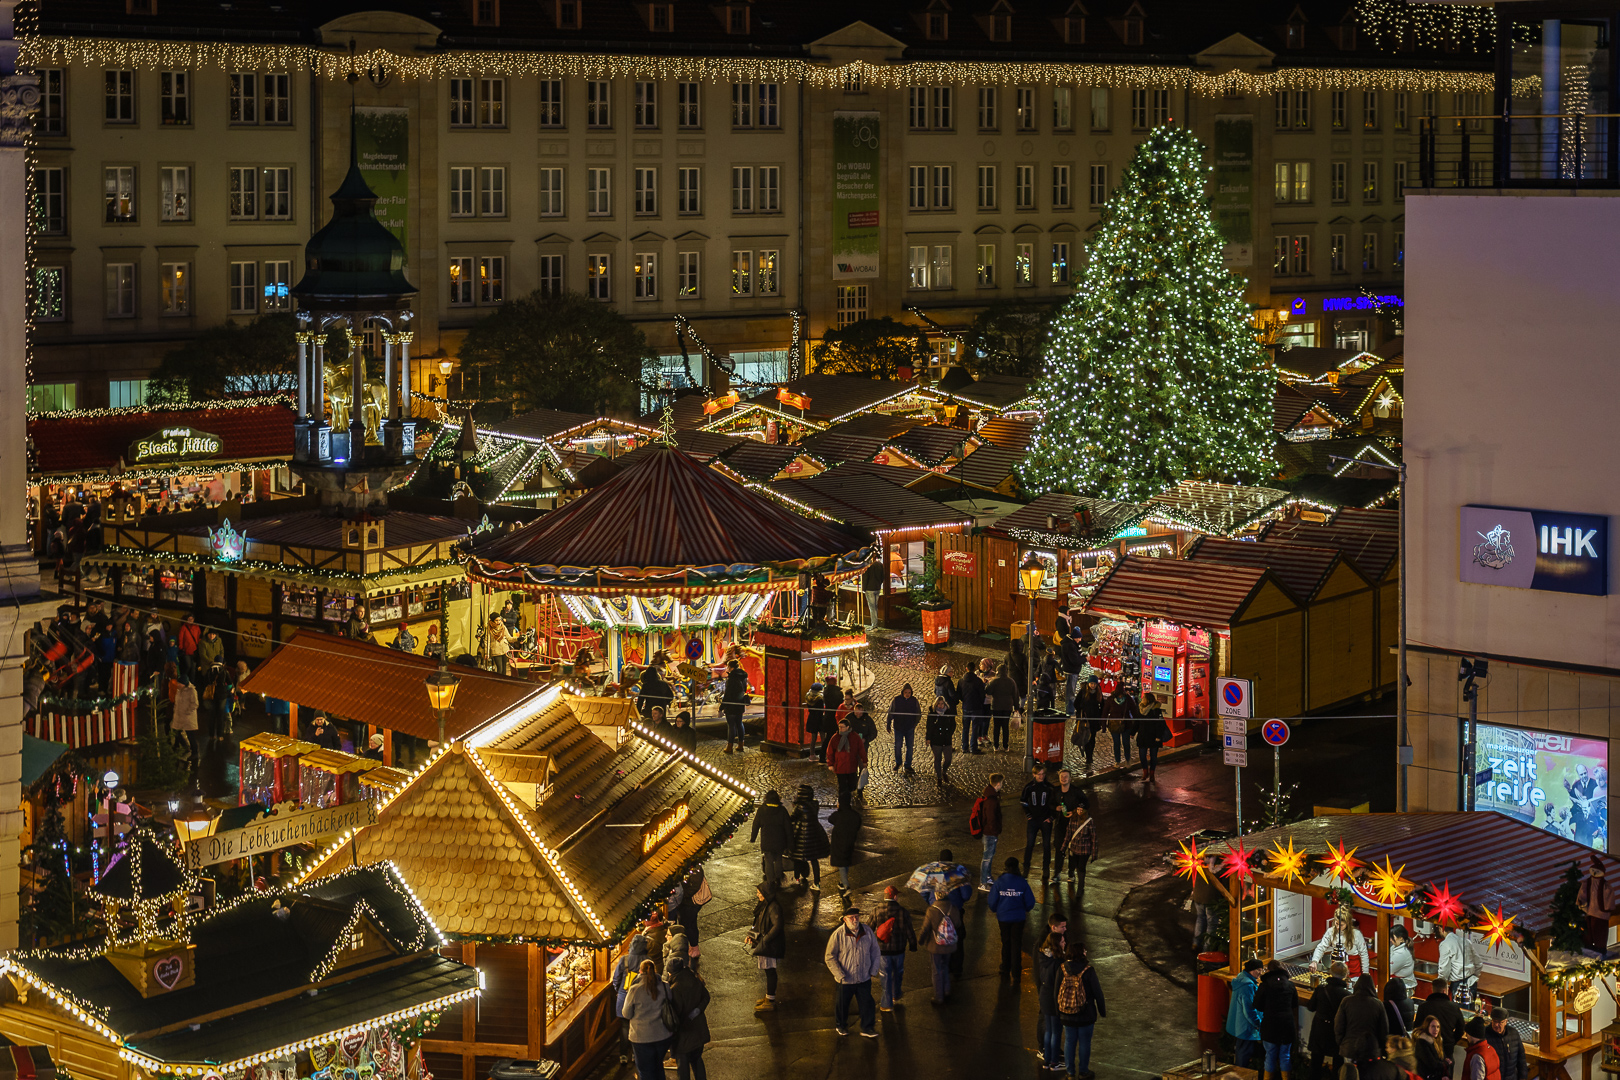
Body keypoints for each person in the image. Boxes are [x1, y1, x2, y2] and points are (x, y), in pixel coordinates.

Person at [825, 903, 881, 1038]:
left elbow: (875, 951)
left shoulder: (867, 931)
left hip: (864, 977)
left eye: (857, 917)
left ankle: (867, 1028)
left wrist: (873, 970)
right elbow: (829, 956)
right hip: (846, 979)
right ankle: (841, 1025)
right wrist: (839, 974)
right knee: (842, 1005)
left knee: (867, 1003)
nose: (855, 920)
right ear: (844, 919)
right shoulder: (838, 935)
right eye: (851, 918)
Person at [1056, 940, 1105, 1079]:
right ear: (1080, 953)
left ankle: (1070, 1073)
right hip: (1086, 1014)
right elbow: (1098, 993)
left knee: (1069, 1041)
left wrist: (1058, 1011)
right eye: (1084, 950)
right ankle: (1083, 1072)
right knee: (1084, 1042)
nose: (1086, 952)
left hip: (1066, 1014)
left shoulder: (1062, 968)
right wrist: (1102, 1011)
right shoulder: (1088, 970)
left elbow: (1056, 992)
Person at [621, 958, 673, 1080]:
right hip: (663, 1035)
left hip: (641, 1038)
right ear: (655, 970)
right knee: (658, 1066)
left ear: (640, 971)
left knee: (646, 1071)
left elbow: (626, 1014)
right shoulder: (665, 987)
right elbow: (670, 1004)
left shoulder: (634, 990)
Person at [988, 856, 1036, 981]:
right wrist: (1024, 909)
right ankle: (1016, 972)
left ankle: (1005, 967)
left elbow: (992, 901)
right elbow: (1030, 902)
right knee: (1016, 943)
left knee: (1006, 942)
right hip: (1018, 918)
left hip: (1003, 917)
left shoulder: (1000, 882)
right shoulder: (1022, 882)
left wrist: (996, 909)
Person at [666, 953, 712, 1080]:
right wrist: (697, 1010)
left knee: (683, 1067)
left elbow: (676, 1014)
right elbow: (706, 996)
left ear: (671, 973)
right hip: (699, 1031)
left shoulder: (675, 988)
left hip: (684, 1035)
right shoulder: (694, 979)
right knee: (697, 1060)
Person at [1335, 974, 1391, 1078]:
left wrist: (1341, 1042)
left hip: (1349, 1048)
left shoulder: (1346, 1001)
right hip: (1371, 1050)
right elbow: (1384, 1030)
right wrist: (1380, 1047)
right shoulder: (1378, 1004)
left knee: (1349, 1075)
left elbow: (1338, 1025)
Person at [873, 885, 917, 1011]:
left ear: (885, 896)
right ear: (895, 896)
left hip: (883, 951)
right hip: (899, 950)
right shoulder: (903, 911)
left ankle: (886, 1004)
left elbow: (869, 928)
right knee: (898, 973)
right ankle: (896, 994)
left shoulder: (877, 910)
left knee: (885, 975)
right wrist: (913, 945)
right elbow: (909, 931)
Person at [1307, 961, 1352, 1080]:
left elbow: (1311, 1007)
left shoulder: (1321, 989)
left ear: (1330, 973)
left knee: (1316, 1062)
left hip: (1320, 1028)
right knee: (1337, 1062)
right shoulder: (1346, 995)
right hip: (1336, 1031)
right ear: (1346, 975)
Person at [1257, 960, 1300, 1080]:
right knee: (1285, 1056)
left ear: (1269, 971)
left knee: (1270, 1055)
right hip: (1287, 1025)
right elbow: (1295, 1004)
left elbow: (1257, 1004)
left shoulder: (1265, 985)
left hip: (1270, 1025)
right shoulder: (1290, 985)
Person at [921, 881, 963, 1004]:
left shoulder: (931, 910)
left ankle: (938, 996)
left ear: (936, 894)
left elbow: (925, 928)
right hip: (949, 945)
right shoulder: (953, 908)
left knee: (936, 970)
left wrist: (921, 940)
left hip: (935, 946)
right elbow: (959, 924)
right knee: (945, 966)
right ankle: (947, 990)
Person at [611, 934, 650, 1064]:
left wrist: (619, 991)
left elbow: (616, 979)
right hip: (642, 998)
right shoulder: (648, 960)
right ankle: (635, 1053)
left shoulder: (624, 960)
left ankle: (623, 1055)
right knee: (638, 1025)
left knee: (624, 1026)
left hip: (624, 996)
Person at [748, 881, 785, 1013]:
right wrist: (752, 936)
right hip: (765, 943)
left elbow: (777, 925)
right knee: (767, 970)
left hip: (769, 946)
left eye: (759, 892)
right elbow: (758, 922)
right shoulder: (766, 904)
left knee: (770, 971)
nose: (757, 894)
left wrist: (766, 939)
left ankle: (770, 1000)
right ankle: (769, 997)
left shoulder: (773, 907)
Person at [786, 783, 830, 892]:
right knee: (814, 860)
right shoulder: (815, 805)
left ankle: (796, 878)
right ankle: (817, 882)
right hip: (814, 834)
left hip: (801, 834)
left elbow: (792, 818)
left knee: (797, 857)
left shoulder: (800, 807)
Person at [1035, 931, 1067, 1071]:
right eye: (1062, 941)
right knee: (1056, 1032)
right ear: (1056, 944)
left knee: (1048, 1031)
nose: (1065, 943)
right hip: (1054, 1000)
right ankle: (1055, 1062)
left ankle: (1047, 1060)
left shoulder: (1044, 957)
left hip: (1044, 997)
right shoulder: (1058, 962)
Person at [1415, 978, 1466, 1064]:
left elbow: (1416, 1029)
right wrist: (1452, 1040)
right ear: (1444, 991)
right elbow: (1461, 1029)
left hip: (1427, 1050)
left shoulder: (1423, 1007)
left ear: (1433, 990)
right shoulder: (1454, 1007)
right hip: (1447, 1049)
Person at [1049, 768, 1090, 878]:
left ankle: (1071, 873)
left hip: (1073, 826)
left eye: (1066, 776)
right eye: (1062, 777)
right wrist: (1055, 808)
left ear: (1070, 779)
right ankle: (1057, 873)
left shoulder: (1076, 791)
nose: (1064, 779)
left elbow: (1085, 803)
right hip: (1060, 825)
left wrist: (1075, 812)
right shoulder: (1056, 791)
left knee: (1072, 850)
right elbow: (1050, 803)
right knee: (1059, 848)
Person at [1312, 905, 1371, 978]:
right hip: (1337, 970)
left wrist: (1365, 974)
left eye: (1341, 925)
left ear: (1348, 923)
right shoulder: (1331, 931)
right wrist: (1314, 961)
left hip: (1353, 972)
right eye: (1336, 924)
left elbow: (1364, 954)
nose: (1338, 927)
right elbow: (1321, 947)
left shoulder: (1356, 934)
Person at [1021, 763, 1057, 883]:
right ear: (1034, 775)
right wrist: (1028, 815)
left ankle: (1045, 869)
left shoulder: (1050, 787)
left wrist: (1051, 817)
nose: (1041, 777)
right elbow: (1023, 801)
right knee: (1030, 844)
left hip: (1045, 820)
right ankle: (1026, 868)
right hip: (1033, 821)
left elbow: (1056, 804)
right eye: (1039, 774)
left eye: (1043, 774)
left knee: (1046, 846)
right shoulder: (1029, 787)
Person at [1226, 957, 1265, 1068]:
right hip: (1246, 1027)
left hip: (1240, 1025)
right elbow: (1249, 1009)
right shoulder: (1247, 986)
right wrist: (1258, 1023)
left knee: (1241, 1051)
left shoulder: (1241, 979)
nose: (1260, 972)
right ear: (1251, 970)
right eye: (1258, 969)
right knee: (1244, 1056)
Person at [749, 790, 791, 886]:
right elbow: (788, 827)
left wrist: (753, 837)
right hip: (779, 841)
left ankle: (770, 881)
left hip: (767, 841)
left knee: (768, 860)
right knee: (778, 859)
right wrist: (790, 842)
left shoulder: (761, 810)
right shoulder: (782, 810)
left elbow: (755, 825)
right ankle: (778, 877)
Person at [828, 791, 861, 897]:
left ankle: (847, 886)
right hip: (850, 842)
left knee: (841, 865)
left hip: (839, 844)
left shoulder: (838, 815)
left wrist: (838, 809)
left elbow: (830, 819)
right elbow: (858, 823)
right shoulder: (854, 815)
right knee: (845, 863)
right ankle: (842, 883)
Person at [1437, 924, 1480, 1007]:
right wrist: (1475, 976)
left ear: (1441, 929)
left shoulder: (1445, 944)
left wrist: (1441, 984)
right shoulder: (1466, 941)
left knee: (1459, 1015)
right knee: (1469, 1015)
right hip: (1472, 982)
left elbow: (1444, 969)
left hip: (1458, 986)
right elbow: (1478, 963)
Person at [975, 773, 1005, 889]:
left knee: (990, 856)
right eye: (1001, 783)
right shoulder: (992, 800)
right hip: (990, 833)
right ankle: (982, 883)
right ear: (998, 784)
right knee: (987, 858)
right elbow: (991, 818)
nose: (1002, 785)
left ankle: (987, 877)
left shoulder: (989, 796)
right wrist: (995, 830)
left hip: (989, 832)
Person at [827, 716, 867, 802]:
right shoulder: (835, 737)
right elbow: (830, 751)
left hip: (851, 766)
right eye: (839, 727)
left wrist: (864, 761)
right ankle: (842, 802)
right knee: (842, 786)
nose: (840, 729)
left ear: (848, 727)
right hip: (840, 766)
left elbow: (861, 749)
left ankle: (850, 798)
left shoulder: (855, 737)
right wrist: (830, 764)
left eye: (842, 727)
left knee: (852, 785)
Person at [887, 683, 921, 776]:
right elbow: (891, 712)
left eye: (909, 692)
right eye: (906, 692)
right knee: (898, 746)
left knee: (909, 747)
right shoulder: (896, 700)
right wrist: (888, 723)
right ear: (903, 692)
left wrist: (914, 724)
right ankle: (898, 762)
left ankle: (908, 765)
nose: (907, 694)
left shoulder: (914, 701)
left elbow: (918, 713)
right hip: (899, 727)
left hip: (909, 728)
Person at [1136, 693, 1170, 782]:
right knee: (1142, 755)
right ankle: (1145, 771)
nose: (1142, 699)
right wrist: (1132, 732)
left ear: (1148, 700)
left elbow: (1160, 724)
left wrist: (1158, 736)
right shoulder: (1140, 709)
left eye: (1144, 698)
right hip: (1143, 735)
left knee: (1153, 756)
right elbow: (1137, 722)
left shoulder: (1156, 710)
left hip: (1154, 737)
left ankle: (1152, 774)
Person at [1486, 1007, 1526, 1080]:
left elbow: (1521, 1060)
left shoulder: (1513, 1033)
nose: (1496, 1025)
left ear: (1506, 1022)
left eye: (1500, 1022)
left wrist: (1522, 1078)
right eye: (1494, 1021)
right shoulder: (1485, 1035)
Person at [987, 663, 1019, 752]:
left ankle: (996, 745)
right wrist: (1016, 707)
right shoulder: (1011, 681)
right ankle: (1005, 746)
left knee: (996, 726)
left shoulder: (994, 681)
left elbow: (988, 691)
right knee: (1005, 727)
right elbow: (1015, 695)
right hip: (1007, 706)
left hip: (996, 706)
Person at [1064, 807, 1098, 888]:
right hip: (1074, 849)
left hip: (1084, 850)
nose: (1079, 812)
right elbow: (1068, 835)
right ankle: (1080, 886)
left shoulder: (1089, 822)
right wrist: (1063, 848)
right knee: (1077, 866)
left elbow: (1094, 838)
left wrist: (1094, 854)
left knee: (1081, 868)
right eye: (1078, 809)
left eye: (1081, 810)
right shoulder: (1073, 820)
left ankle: (1080, 887)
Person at [1076, 680, 1105, 774]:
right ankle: (1087, 755)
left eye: (1094, 684)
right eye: (1091, 683)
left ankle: (1090, 756)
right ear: (1088, 684)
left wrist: (1100, 716)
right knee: (1085, 737)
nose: (1093, 685)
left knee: (1092, 738)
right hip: (1085, 719)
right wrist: (1082, 710)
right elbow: (1076, 703)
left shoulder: (1098, 692)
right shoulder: (1084, 691)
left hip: (1094, 720)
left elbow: (1103, 705)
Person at [721, 659, 749, 754]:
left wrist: (721, 707)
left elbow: (727, 694)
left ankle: (730, 747)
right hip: (740, 704)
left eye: (728, 666)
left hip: (731, 705)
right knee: (739, 723)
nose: (726, 668)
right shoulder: (743, 676)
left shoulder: (731, 678)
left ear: (731, 668)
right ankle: (741, 745)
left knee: (731, 725)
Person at [926, 696, 956, 783]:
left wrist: (949, 733)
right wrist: (928, 738)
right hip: (936, 740)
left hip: (946, 740)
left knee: (948, 759)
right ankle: (939, 777)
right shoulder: (932, 714)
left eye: (942, 703)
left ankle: (944, 771)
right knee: (937, 759)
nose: (940, 705)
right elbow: (929, 727)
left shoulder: (949, 712)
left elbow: (953, 724)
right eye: (938, 704)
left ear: (944, 704)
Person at [1389, 924, 1418, 1017]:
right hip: (1398, 986)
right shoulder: (1395, 948)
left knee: (1402, 1015)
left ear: (1401, 938)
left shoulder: (1402, 953)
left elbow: (1389, 969)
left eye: (1393, 938)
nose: (1390, 940)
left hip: (1405, 988)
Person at [1103, 687, 1137, 765]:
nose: (1120, 697)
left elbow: (1134, 711)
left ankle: (1128, 759)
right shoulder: (1110, 699)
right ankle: (1117, 761)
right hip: (1114, 725)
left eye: (1121, 695)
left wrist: (1135, 727)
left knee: (1126, 743)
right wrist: (1104, 726)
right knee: (1116, 743)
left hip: (1126, 724)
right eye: (1119, 695)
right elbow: (1105, 712)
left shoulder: (1128, 699)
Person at [1412, 1014, 1452, 1080]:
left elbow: (1441, 1057)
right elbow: (1432, 1064)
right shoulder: (1422, 1042)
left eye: (1438, 1027)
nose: (1436, 1029)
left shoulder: (1437, 1040)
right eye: (1433, 1026)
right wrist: (1446, 1063)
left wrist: (1445, 1059)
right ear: (1427, 1027)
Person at [960, 662, 987, 754]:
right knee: (975, 728)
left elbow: (959, 694)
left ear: (966, 669)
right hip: (976, 708)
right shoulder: (978, 681)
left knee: (965, 728)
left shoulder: (961, 681)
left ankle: (964, 747)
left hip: (966, 706)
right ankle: (973, 747)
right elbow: (982, 695)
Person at [1061, 628, 1086, 715]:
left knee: (1070, 692)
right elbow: (1075, 660)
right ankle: (1070, 711)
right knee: (1070, 693)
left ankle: (1070, 710)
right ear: (1075, 638)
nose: (1080, 640)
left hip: (1071, 671)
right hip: (1071, 671)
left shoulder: (1071, 643)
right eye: (1079, 638)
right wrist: (1085, 659)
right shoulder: (1070, 645)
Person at [862, 558, 884, 629]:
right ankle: (875, 624)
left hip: (869, 588)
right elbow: (883, 576)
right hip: (877, 588)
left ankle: (874, 625)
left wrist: (863, 589)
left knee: (872, 607)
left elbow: (865, 578)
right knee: (875, 607)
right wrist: (879, 584)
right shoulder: (880, 564)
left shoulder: (868, 565)